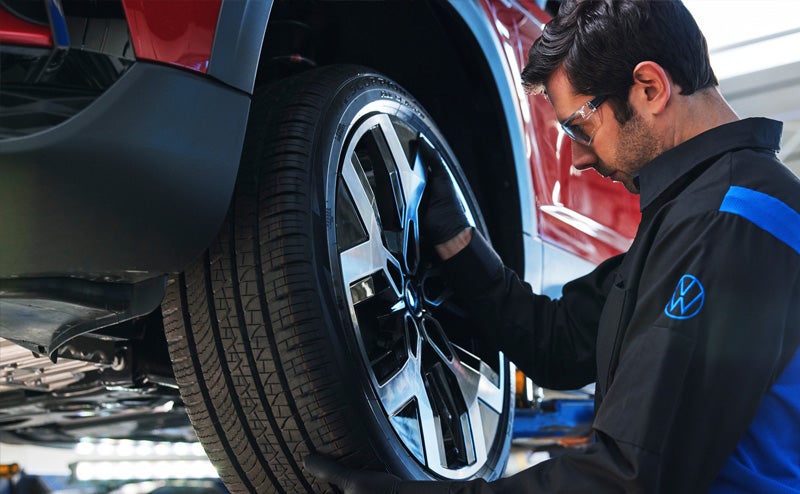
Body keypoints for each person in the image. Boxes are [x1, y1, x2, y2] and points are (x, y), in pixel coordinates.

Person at [305, 0, 800, 492]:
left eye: (578, 127)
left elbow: (628, 478)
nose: (579, 158)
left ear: (650, 88)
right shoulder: (704, 211)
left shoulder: (734, 223)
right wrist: (459, 242)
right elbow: (560, 343)